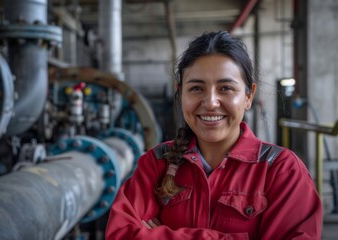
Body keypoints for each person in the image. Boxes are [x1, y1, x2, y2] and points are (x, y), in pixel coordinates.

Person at [105, 31, 322, 239]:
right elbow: (119, 234)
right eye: (196, 88)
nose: (210, 103)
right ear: (181, 94)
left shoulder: (281, 170)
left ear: (248, 96)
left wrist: (158, 234)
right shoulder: (156, 164)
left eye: (225, 88)